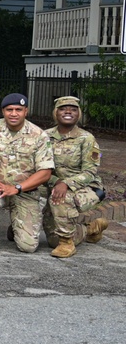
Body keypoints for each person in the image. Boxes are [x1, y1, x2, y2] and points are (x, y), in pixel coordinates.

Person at [0, 93, 54, 254]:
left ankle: (16, 227)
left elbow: (45, 172)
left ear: (26, 111)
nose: (14, 113)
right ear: (3, 111)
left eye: (18, 109)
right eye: (9, 109)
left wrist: (17, 188)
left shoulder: (39, 135)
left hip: (25, 191)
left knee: (27, 247)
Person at [42, 96, 109, 258]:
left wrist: (65, 184)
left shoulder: (86, 139)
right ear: (55, 113)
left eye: (73, 109)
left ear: (78, 114)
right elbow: (38, 167)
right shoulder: (45, 136)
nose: (68, 112)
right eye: (63, 108)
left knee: (61, 198)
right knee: (52, 240)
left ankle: (67, 243)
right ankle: (91, 228)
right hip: (53, 184)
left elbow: (90, 172)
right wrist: (56, 181)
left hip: (87, 187)